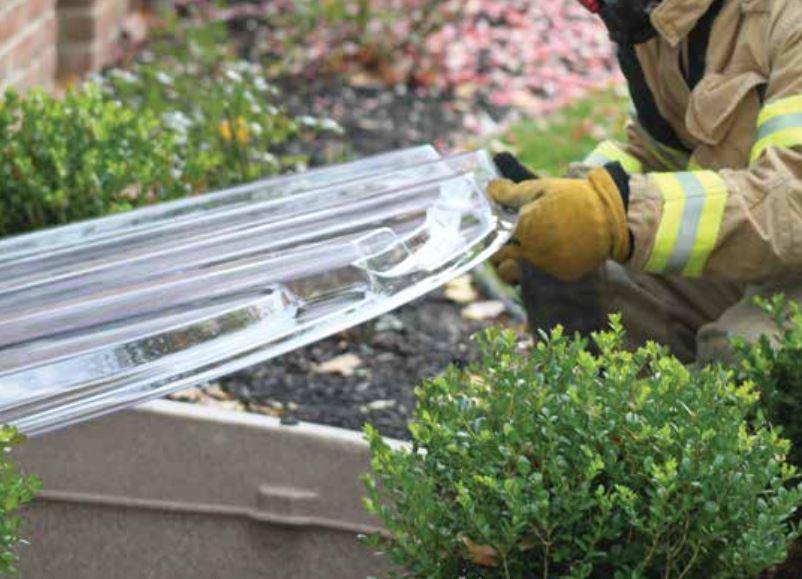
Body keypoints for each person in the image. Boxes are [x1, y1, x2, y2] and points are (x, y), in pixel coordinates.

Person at [488, 0, 802, 363]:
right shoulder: (663, 19)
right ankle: (612, 400)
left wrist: (618, 214)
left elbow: (792, 203)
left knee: (744, 351)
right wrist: (567, 205)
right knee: (576, 276)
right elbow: (661, 154)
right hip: (763, 253)